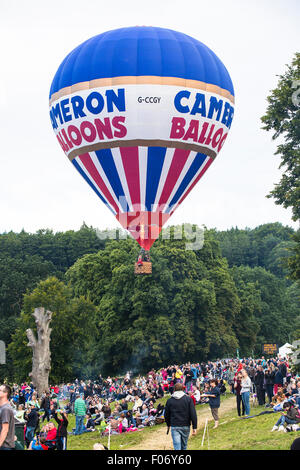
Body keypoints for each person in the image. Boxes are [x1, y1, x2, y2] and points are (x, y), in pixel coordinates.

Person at [164, 382, 197, 450]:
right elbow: (193, 413)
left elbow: (166, 414)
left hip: (175, 425)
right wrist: (194, 427)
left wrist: (168, 424)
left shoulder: (170, 401)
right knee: (184, 446)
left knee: (177, 447)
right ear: (183, 389)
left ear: (174, 390)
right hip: (185, 425)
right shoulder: (188, 399)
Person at [0, 384, 15, 450]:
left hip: (4, 446)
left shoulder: (5, 409)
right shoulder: (2, 407)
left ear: (5, 393)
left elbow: (5, 429)